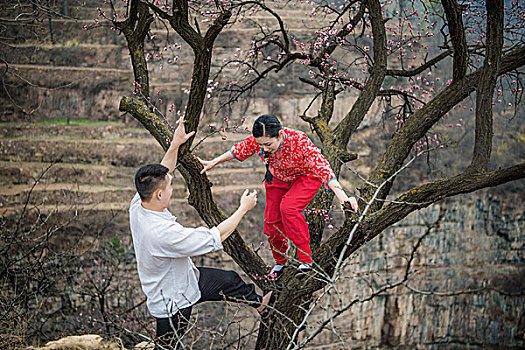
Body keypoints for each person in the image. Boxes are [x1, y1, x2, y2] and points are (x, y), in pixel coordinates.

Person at [129, 117, 273, 347]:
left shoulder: (139, 203)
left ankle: (260, 304)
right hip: (173, 302)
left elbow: (165, 172)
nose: (171, 187)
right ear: (158, 194)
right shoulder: (163, 233)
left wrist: (175, 144)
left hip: (188, 279)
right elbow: (216, 236)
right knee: (168, 344)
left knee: (230, 280)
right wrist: (242, 209)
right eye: (170, 186)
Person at [199, 114, 358, 276]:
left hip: (306, 177)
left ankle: (305, 259)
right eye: (261, 145)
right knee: (271, 221)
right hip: (278, 178)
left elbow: (322, 167)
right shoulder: (258, 142)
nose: (265, 149)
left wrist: (342, 197)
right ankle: (280, 262)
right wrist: (213, 162)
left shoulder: (299, 140)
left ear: (280, 134)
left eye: (268, 144)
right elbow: (238, 150)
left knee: (288, 208)